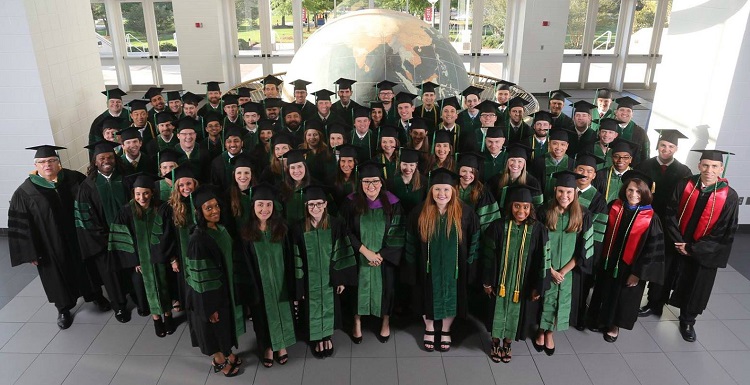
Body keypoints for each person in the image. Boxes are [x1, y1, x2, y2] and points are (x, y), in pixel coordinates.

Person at [9, 145, 110, 329]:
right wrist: (31, 252)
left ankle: (95, 295)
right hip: (50, 245)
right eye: (42, 162)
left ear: (58, 163)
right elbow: (22, 225)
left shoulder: (75, 179)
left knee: (88, 267)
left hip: (79, 238)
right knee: (57, 275)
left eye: (51, 161)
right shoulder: (24, 192)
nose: (47, 165)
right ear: (36, 165)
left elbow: (94, 203)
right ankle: (63, 308)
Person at [663, 149, 739, 342]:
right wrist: (678, 240)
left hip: (703, 251)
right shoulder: (685, 184)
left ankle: (688, 320)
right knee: (666, 273)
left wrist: (692, 248)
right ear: (699, 166)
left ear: (721, 168)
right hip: (677, 241)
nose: (709, 170)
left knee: (696, 283)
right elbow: (670, 211)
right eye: (705, 165)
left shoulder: (729, 196)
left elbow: (724, 230)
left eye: (714, 166)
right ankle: (655, 303)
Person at [404, 168, 480, 352]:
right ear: (431, 191)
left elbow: (475, 241)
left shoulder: (465, 213)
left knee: (453, 297)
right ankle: (429, 328)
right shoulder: (419, 212)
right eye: (437, 189)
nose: (442, 194)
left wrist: (470, 266)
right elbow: (410, 242)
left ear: (453, 191)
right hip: (427, 268)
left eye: (446, 189)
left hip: (455, 269)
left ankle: (446, 329)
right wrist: (411, 267)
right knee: (425, 295)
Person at [588, 170, 664, 342]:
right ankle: (598, 318)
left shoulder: (651, 218)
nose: (633, 194)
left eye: (638, 191)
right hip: (608, 260)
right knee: (604, 290)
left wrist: (637, 273)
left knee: (622, 296)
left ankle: (614, 325)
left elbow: (652, 251)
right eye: (630, 190)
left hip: (630, 267)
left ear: (645, 193)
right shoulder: (614, 207)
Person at [482, 185, 549, 363]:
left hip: (523, 284)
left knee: (516, 313)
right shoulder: (497, 226)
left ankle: (508, 343)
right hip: (499, 282)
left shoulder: (538, 230)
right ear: (510, 206)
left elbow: (543, 260)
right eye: (517, 206)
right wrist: (487, 282)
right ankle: (495, 341)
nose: (521, 210)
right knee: (497, 311)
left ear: (531, 208)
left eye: (525, 206)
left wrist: (538, 286)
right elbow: (488, 256)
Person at [340, 161, 405, 344]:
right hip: (358, 256)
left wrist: (382, 255)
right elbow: (344, 230)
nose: (371, 186)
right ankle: (357, 322)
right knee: (356, 288)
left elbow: (398, 232)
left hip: (384, 260)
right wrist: (365, 252)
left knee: (388, 287)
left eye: (375, 181)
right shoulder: (350, 203)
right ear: (360, 183)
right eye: (366, 182)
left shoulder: (393, 203)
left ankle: (385, 320)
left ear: (381, 182)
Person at [291, 185, 357, 357]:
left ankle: (326, 335)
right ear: (306, 206)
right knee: (310, 308)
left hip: (329, 279)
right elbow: (295, 259)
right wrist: (299, 286)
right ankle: (316, 338)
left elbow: (341, 251)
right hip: (308, 281)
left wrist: (340, 279)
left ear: (325, 204)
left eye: (319, 204)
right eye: (311, 204)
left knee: (329, 307)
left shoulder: (335, 224)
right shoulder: (298, 228)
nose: (315, 208)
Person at [533, 170, 594, 355]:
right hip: (545, 268)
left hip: (568, 271)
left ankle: (549, 332)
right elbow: (535, 245)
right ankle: (540, 330)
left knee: (561, 301)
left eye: (569, 192)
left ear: (575, 192)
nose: (564, 196)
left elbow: (584, 249)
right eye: (561, 191)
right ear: (555, 190)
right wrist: (550, 270)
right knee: (544, 300)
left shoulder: (583, 214)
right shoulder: (544, 211)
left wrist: (563, 272)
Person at [185, 186, 243, 377]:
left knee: (224, 327)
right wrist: (209, 308)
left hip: (224, 291)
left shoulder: (220, 228)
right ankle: (219, 361)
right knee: (214, 328)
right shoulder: (198, 240)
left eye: (216, 206)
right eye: (208, 208)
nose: (215, 210)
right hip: (210, 297)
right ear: (199, 212)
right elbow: (200, 279)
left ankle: (228, 352)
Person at [109, 174, 177, 337]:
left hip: (161, 257)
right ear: (133, 193)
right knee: (147, 289)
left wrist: (169, 256)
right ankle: (156, 320)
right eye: (138, 194)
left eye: (146, 193)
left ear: (152, 193)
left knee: (165, 285)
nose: (142, 197)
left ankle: (168, 316)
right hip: (141, 260)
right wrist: (135, 261)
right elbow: (121, 237)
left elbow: (170, 234)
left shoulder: (162, 208)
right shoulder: (126, 211)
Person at [241, 183, 297, 367]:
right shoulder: (247, 233)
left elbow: (290, 258)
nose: (264, 209)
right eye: (260, 205)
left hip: (281, 282)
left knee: (284, 312)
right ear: (253, 207)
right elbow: (245, 265)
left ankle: (282, 345)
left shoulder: (282, 229)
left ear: (274, 207)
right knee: (262, 317)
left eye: (268, 205)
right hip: (260, 285)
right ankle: (267, 347)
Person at [637, 129, 692, 317]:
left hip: (669, 224)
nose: (665, 150)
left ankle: (656, 302)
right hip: (645, 220)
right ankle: (634, 299)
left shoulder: (684, 171)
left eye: (670, 147)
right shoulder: (644, 165)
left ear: (676, 149)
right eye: (663, 145)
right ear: (657, 146)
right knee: (641, 259)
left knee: (664, 265)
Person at [76, 140, 132, 322]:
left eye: (110, 157)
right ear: (95, 161)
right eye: (102, 158)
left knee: (131, 268)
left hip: (129, 236)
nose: (106, 160)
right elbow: (85, 218)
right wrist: (104, 238)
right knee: (111, 274)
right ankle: (120, 306)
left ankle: (137, 297)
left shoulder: (126, 178)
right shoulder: (87, 186)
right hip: (103, 240)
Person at [157, 165, 199, 319]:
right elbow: (166, 237)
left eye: (189, 184)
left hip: (200, 255)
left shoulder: (201, 202)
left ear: (195, 184)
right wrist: (173, 259)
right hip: (181, 256)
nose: (185, 188)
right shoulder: (170, 208)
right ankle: (191, 312)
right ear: (176, 187)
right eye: (181, 185)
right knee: (186, 285)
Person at [572, 152, 608, 330]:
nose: (584, 174)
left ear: (594, 175)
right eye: (581, 169)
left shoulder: (599, 199)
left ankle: (578, 317)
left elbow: (599, 232)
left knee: (582, 284)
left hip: (584, 248)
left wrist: (588, 254)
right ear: (575, 170)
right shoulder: (565, 191)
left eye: (589, 171)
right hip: (564, 247)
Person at [456, 152, 501, 231]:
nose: (467, 175)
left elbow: (487, 222)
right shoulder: (450, 189)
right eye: (464, 171)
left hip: (474, 232)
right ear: (458, 171)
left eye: (471, 172)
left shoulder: (482, 192)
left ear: (476, 174)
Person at [488, 143, 543, 208]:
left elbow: (537, 206)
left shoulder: (533, 182)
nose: (515, 164)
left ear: (524, 164)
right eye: (512, 160)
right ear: (507, 161)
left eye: (520, 161)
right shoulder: (495, 180)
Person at [529, 128, 575, 198]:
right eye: (555, 143)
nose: (559, 147)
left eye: (562, 144)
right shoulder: (539, 162)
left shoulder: (573, 164)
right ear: (549, 144)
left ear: (567, 146)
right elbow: (535, 186)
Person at [593, 139, 636, 203]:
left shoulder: (636, 177)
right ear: (611, 158)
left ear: (630, 159)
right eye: (616, 156)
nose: (620, 160)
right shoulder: (600, 175)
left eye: (625, 157)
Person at [389, 148, 427, 216]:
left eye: (411, 165)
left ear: (416, 165)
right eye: (405, 164)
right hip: (397, 221)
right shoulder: (391, 182)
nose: (408, 168)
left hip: (417, 219)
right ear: (400, 164)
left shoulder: (424, 182)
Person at [614, 96, 649, 165]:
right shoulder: (609, 129)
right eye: (622, 110)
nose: (625, 113)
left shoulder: (640, 132)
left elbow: (645, 155)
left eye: (628, 111)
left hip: (632, 170)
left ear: (632, 114)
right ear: (616, 112)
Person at [209, 125, 245, 190]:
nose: (233, 144)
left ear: (242, 143)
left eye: (236, 141)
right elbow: (214, 186)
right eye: (229, 141)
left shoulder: (251, 159)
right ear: (225, 144)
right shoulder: (217, 163)